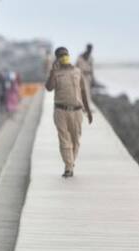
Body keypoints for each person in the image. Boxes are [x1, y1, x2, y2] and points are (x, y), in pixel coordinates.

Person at [45, 46, 93, 178]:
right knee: (64, 140)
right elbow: (49, 88)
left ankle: (70, 163)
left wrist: (88, 111)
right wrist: (52, 73)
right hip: (60, 111)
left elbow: (83, 92)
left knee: (75, 140)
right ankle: (68, 166)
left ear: (68, 55)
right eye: (60, 55)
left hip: (77, 111)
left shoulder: (77, 72)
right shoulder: (56, 72)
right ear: (57, 59)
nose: (63, 57)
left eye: (65, 54)